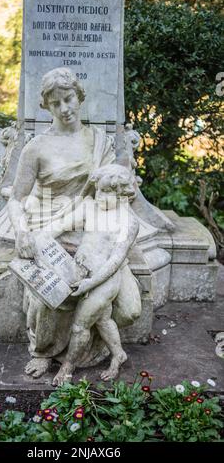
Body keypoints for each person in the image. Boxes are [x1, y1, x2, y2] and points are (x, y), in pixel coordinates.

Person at [7, 68, 116, 378]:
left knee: (92, 286)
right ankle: (43, 349)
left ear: (79, 97)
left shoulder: (98, 142)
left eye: (68, 99)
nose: (65, 108)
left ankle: (80, 349)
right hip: (46, 230)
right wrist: (22, 231)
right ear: (47, 106)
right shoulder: (36, 148)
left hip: (88, 229)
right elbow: (16, 199)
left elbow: (111, 192)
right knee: (46, 294)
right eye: (56, 103)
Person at [47, 164, 141, 386]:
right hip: (81, 272)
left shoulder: (128, 222)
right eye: (98, 190)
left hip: (104, 280)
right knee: (103, 319)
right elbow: (60, 225)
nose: (100, 196)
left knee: (81, 325)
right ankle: (118, 354)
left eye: (106, 192)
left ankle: (68, 366)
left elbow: (116, 260)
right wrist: (40, 238)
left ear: (122, 194)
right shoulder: (91, 207)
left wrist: (90, 283)